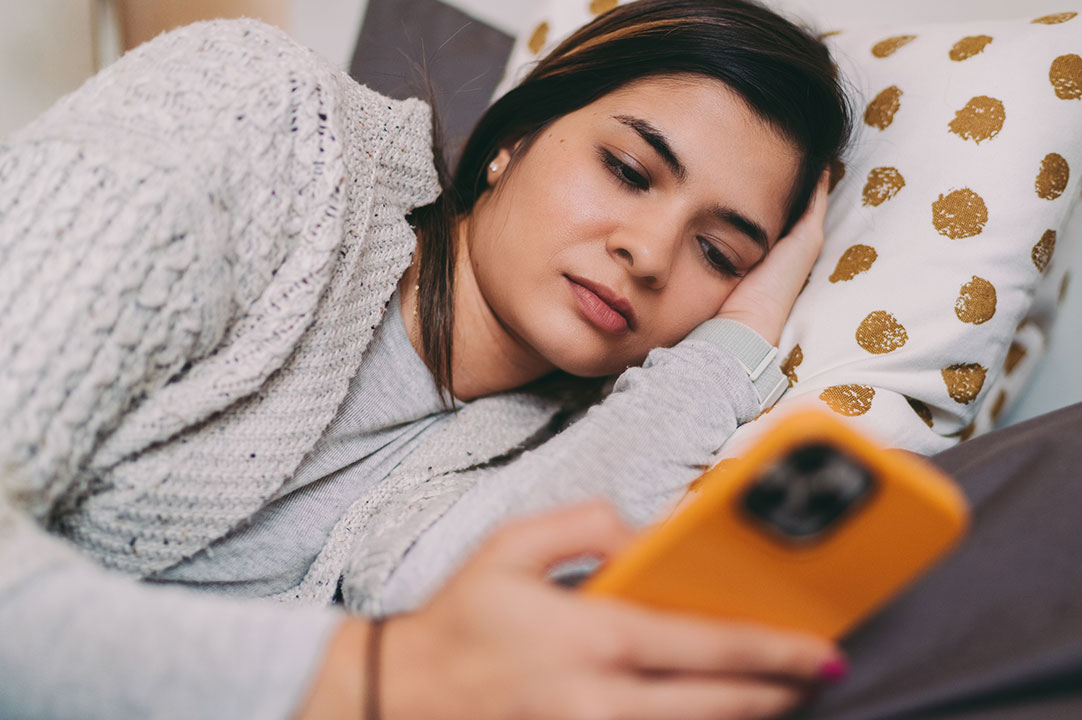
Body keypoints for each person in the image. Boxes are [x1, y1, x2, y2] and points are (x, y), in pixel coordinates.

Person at [0, 0, 856, 718]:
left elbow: (457, 630)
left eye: (718, 252)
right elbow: (414, 673)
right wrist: (370, 678)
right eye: (629, 170)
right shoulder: (260, 116)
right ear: (518, 135)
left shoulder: (542, 443)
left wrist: (731, 346)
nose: (651, 253)